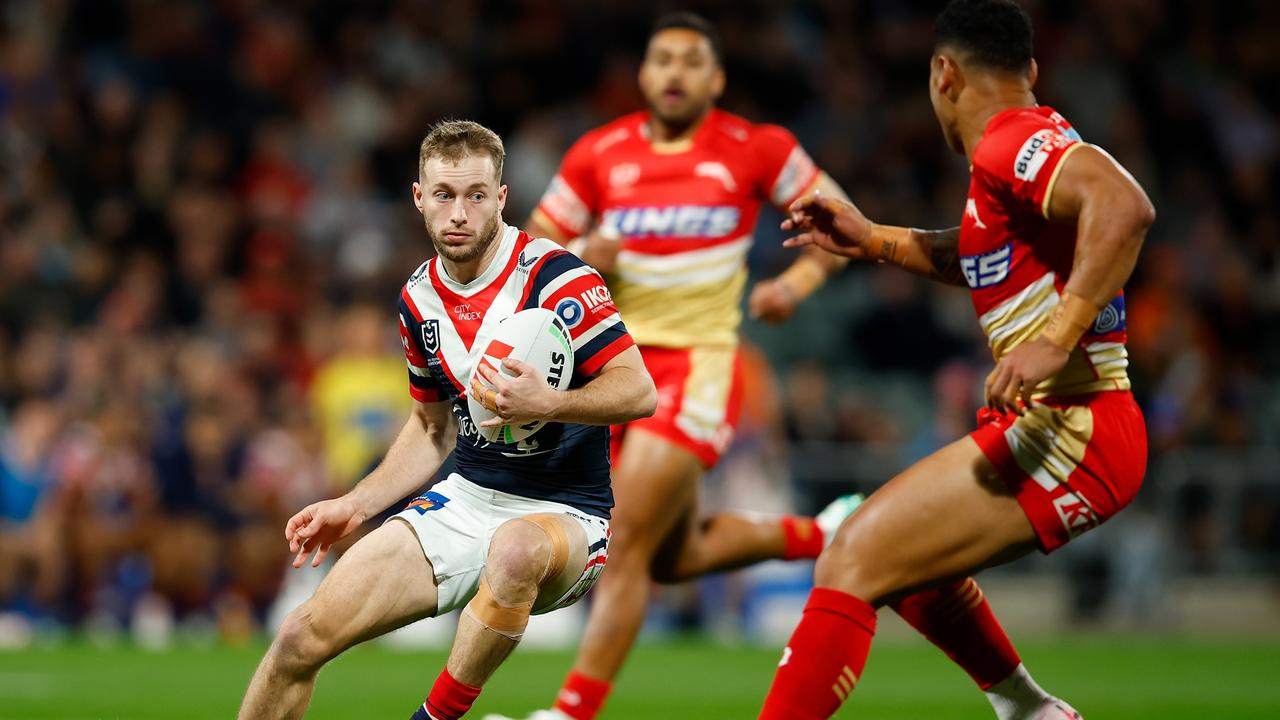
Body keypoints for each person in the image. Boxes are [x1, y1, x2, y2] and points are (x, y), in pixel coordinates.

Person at [495, 12, 1073, 720]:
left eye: (691, 61)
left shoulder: (755, 148)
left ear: (717, 78)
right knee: (672, 556)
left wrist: (791, 287)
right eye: (662, 59)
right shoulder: (597, 153)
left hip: (701, 368)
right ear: (643, 75)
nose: (674, 72)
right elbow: (536, 253)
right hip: (613, 368)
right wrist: (585, 252)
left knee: (627, 533)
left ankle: (569, 713)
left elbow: (843, 223)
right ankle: (824, 532)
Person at [758, 0, 1155, 717]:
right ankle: (1030, 709)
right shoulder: (1022, 150)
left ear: (943, 74)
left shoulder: (1010, 141)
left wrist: (1056, 335)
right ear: (1029, 69)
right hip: (1071, 424)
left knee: (852, 556)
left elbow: (1125, 207)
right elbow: (980, 254)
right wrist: (872, 237)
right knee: (902, 557)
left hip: (1076, 425)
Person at [236, 120, 658, 720]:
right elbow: (432, 428)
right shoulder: (418, 299)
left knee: (513, 552)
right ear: (419, 198)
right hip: (465, 500)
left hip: (565, 514)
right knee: (300, 638)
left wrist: (551, 403)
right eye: (444, 195)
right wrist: (355, 504)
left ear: (501, 198)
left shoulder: (555, 278)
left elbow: (639, 391)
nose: (459, 212)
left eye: (476, 196)